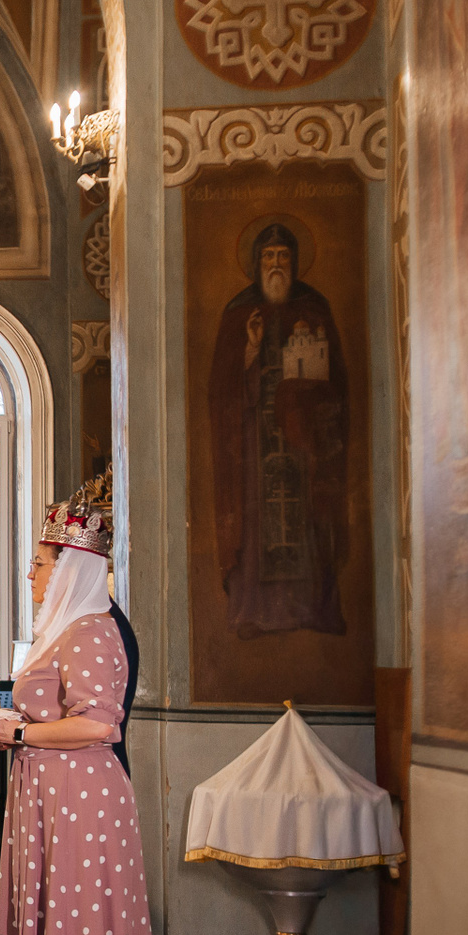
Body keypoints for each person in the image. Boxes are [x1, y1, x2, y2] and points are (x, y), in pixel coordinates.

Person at [0, 477, 163, 935]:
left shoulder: (91, 631)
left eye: (39, 563)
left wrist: (18, 733)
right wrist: (13, 724)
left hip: (80, 801)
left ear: (69, 570)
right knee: (60, 934)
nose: (30, 574)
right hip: (54, 795)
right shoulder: (67, 630)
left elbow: (98, 724)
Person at [209, 222, 349, 637]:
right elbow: (221, 389)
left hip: (305, 442)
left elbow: (339, 384)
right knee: (257, 522)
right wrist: (251, 349)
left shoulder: (314, 308)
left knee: (306, 519)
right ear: (256, 263)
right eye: (268, 257)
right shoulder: (239, 312)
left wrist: (309, 393)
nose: (276, 265)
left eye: (283, 256)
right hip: (255, 440)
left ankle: (309, 609)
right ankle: (255, 611)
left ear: (295, 261)